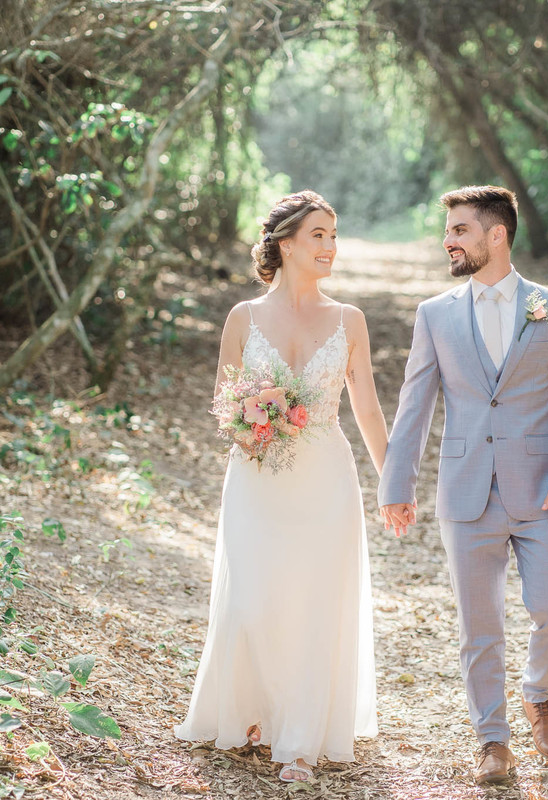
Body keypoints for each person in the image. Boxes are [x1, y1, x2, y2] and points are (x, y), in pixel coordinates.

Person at [379, 185, 548, 785]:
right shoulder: (436, 315)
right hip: (466, 488)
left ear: (496, 235)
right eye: (448, 231)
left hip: (543, 491)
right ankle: (493, 740)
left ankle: (538, 692)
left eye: (459, 230)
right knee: (479, 627)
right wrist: (397, 485)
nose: (448, 240)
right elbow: (414, 406)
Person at [175, 190, 389, 783]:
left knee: (316, 601)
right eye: (318, 235)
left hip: (325, 476)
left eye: (333, 235)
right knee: (253, 599)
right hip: (257, 475)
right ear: (286, 244)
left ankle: (298, 740)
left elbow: (367, 410)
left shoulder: (350, 320)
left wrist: (392, 481)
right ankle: (248, 712)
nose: (330, 247)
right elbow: (225, 403)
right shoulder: (243, 317)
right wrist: (248, 428)